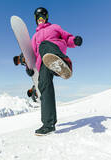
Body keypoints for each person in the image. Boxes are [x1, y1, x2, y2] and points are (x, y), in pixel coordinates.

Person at [14, 7, 83, 135]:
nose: (41, 20)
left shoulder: (55, 27)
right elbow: (32, 56)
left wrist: (74, 41)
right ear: (36, 20)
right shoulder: (34, 37)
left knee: (45, 45)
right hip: (45, 62)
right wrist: (29, 68)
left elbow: (67, 38)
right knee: (43, 87)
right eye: (38, 18)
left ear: (46, 18)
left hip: (55, 53)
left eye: (43, 17)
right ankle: (48, 124)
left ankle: (64, 64)